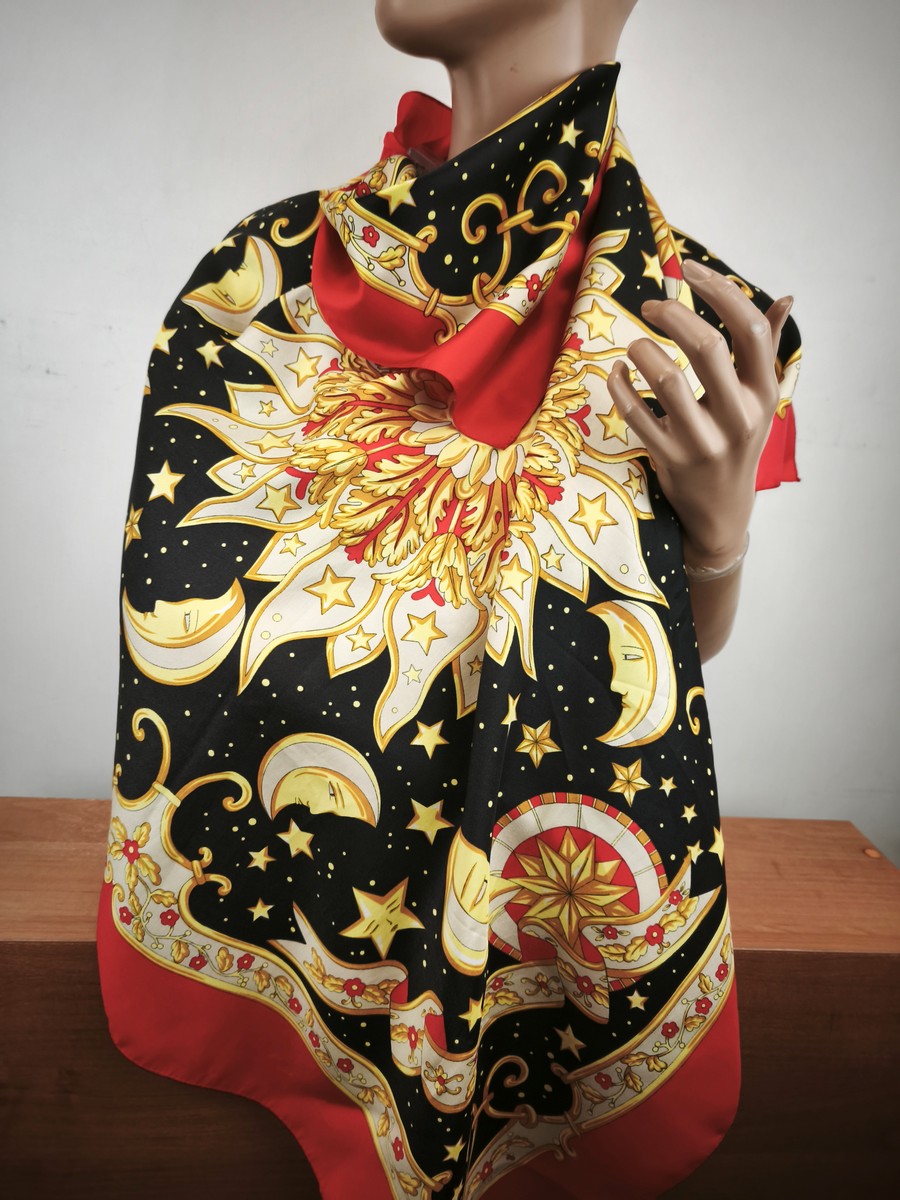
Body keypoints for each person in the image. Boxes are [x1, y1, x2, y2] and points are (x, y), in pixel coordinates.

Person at [96, 2, 801, 1197]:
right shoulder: (254, 291)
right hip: (278, 904)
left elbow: (655, 673)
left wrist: (717, 539)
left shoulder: (695, 330)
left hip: (546, 927)